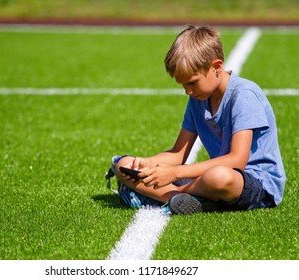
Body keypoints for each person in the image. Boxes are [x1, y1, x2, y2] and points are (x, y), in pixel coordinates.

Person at [105, 25, 286, 215]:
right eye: (183, 85)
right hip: (208, 180)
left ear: (216, 67)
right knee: (123, 164)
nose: (188, 91)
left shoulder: (244, 95)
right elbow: (177, 154)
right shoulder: (198, 98)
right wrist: (147, 164)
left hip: (254, 183)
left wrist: (174, 173)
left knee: (218, 177)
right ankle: (186, 199)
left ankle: (170, 196)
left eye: (192, 82)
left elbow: (237, 160)